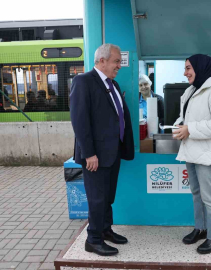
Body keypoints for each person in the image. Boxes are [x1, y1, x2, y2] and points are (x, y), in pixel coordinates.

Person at [69, 43, 134, 256]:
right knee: (97, 198)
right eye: (116, 61)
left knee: (107, 196)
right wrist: (89, 153)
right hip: (95, 156)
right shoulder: (84, 81)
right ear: (102, 61)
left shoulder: (112, 84)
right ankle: (93, 239)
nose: (119, 65)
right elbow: (80, 121)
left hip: (112, 153)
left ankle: (106, 230)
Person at [172, 54, 211, 255]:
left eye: (189, 68)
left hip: (209, 153)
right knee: (197, 194)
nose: (185, 72)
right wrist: (179, 125)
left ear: (201, 67)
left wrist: (190, 129)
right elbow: (186, 117)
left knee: (210, 196)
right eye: (185, 68)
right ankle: (201, 228)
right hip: (192, 151)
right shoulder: (192, 91)